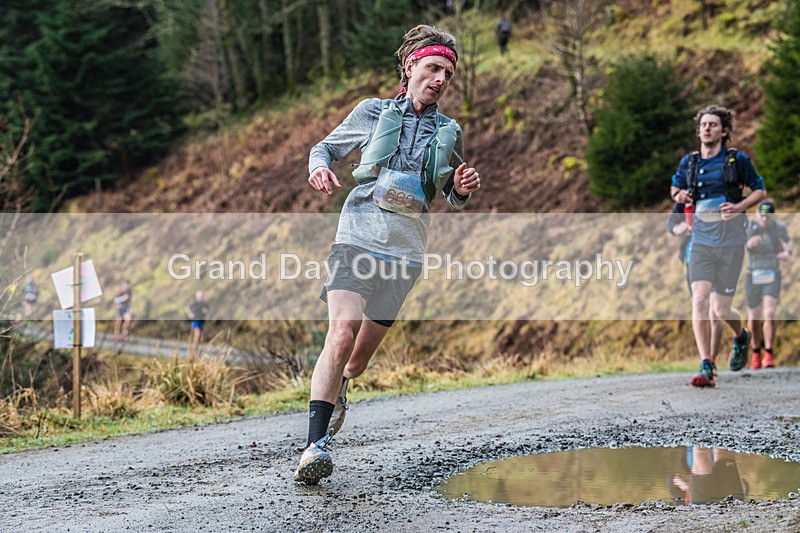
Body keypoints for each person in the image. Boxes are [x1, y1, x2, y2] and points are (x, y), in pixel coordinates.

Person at [294, 24, 481, 485]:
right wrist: (319, 168)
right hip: (357, 238)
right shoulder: (372, 112)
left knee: (355, 362)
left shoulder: (449, 132)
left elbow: (449, 195)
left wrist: (461, 189)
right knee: (341, 332)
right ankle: (315, 446)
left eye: (448, 74)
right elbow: (324, 148)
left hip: (405, 252)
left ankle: (339, 389)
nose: (440, 79)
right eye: (433, 68)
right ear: (410, 66)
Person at [670, 105, 765, 388]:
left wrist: (739, 207)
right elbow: (674, 189)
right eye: (703, 125)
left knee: (721, 309)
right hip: (701, 241)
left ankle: (741, 336)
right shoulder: (689, 163)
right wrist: (680, 195)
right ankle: (706, 363)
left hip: (731, 241)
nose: (706, 128)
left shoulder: (737, 160)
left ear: (723, 131)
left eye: (712, 124)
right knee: (699, 299)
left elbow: (760, 190)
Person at [745, 200, 791, 369]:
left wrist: (786, 252)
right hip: (753, 274)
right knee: (753, 317)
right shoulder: (749, 227)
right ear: (757, 213)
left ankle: (769, 354)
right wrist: (748, 244)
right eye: (762, 216)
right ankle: (756, 352)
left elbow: (788, 242)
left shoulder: (779, 227)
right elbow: (739, 246)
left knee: (769, 312)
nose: (764, 219)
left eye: (768, 216)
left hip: (772, 274)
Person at [185, 290, 209, 356]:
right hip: (196, 320)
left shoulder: (205, 303)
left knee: (199, 336)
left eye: (202, 296)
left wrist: (205, 310)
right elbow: (187, 307)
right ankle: (193, 350)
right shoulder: (194, 303)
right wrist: (190, 314)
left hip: (201, 321)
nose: (201, 297)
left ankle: (195, 350)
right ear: (196, 296)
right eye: (200, 296)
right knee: (197, 334)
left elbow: (207, 309)